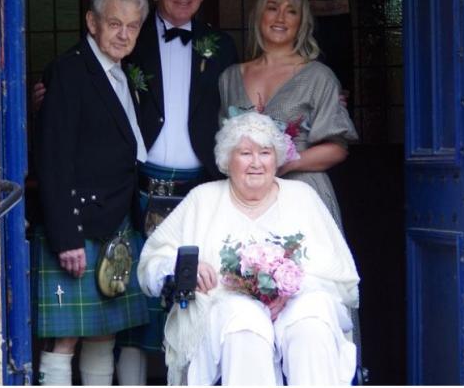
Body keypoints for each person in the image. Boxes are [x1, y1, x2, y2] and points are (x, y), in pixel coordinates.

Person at [138, 112, 360, 385]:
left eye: (265, 153)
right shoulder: (203, 199)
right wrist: (186, 267)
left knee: (311, 320)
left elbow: (339, 274)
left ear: (276, 158)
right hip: (226, 308)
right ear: (227, 160)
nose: (256, 163)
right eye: (245, 153)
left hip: (296, 303)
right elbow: (153, 262)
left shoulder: (303, 197)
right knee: (245, 324)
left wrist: (291, 289)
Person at [115, 0, 239, 379]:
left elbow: (246, 102)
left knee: (194, 296)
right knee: (135, 306)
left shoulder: (222, 46)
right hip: (138, 187)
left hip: (201, 190)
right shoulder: (130, 38)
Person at [33, 0, 151, 386]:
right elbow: (53, 158)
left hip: (115, 217)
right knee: (65, 336)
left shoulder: (120, 72)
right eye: (115, 24)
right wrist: (66, 237)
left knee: (104, 330)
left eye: (132, 26)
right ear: (92, 22)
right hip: (80, 222)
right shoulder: (70, 71)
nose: (123, 34)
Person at [218, 0, 357, 230]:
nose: (280, 18)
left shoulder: (318, 76)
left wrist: (286, 162)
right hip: (245, 199)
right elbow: (223, 146)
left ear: (301, 22)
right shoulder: (230, 77)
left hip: (302, 195)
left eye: (291, 11)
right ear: (259, 15)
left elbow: (338, 148)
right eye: (272, 8)